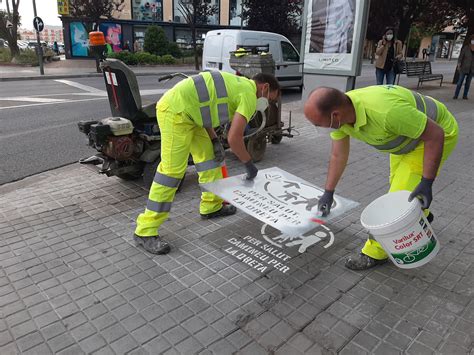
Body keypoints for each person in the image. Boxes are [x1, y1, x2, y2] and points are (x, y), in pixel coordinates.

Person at [304, 85, 458, 270]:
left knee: (398, 199)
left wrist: (427, 181)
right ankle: (421, 215)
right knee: (400, 185)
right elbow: (338, 155)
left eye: (318, 124)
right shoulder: (342, 116)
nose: (320, 128)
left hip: (433, 134)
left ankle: (375, 253)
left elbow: (435, 135)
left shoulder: (386, 112)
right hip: (404, 138)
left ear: (335, 115)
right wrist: (328, 192)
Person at [134, 72, 281, 254]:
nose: (267, 103)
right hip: (175, 112)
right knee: (171, 172)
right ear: (265, 88)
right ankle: (145, 230)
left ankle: (211, 206)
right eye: (270, 99)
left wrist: (213, 140)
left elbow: (205, 108)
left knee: (210, 159)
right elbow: (234, 138)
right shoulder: (250, 95)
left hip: (190, 114)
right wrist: (249, 164)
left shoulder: (240, 84)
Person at [453, 34, 474, 100]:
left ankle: (465, 95)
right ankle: (456, 95)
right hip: (464, 68)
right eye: (473, 40)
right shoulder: (466, 48)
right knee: (459, 82)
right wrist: (459, 65)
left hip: (472, 69)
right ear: (470, 41)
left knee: (468, 83)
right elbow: (460, 57)